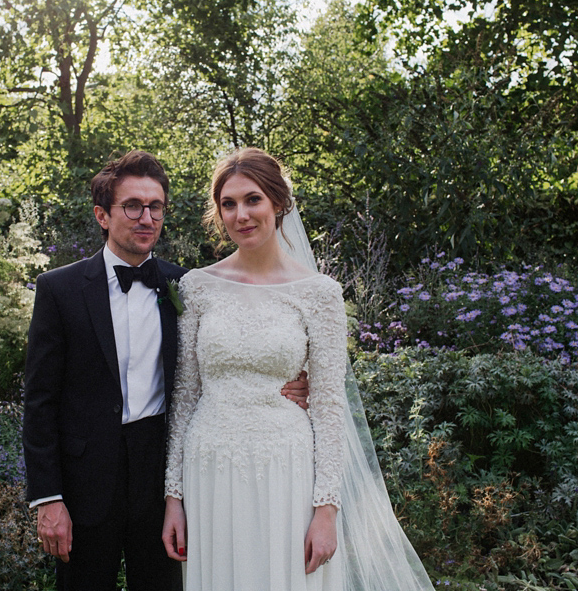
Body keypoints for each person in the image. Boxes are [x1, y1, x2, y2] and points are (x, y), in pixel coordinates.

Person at [22, 150, 309, 591]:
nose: (146, 218)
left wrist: (289, 385)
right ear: (103, 215)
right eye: (132, 206)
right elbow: (39, 402)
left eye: (155, 206)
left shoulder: (187, 287)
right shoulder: (58, 290)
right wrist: (49, 498)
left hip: (163, 482)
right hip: (84, 484)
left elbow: (228, 351)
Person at [161, 147, 435, 591]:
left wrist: (327, 508)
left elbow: (328, 405)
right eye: (228, 204)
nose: (241, 215)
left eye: (253, 200)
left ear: (279, 203)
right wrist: (173, 498)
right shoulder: (197, 287)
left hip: (285, 467)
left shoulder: (319, 293)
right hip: (208, 467)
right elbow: (185, 397)